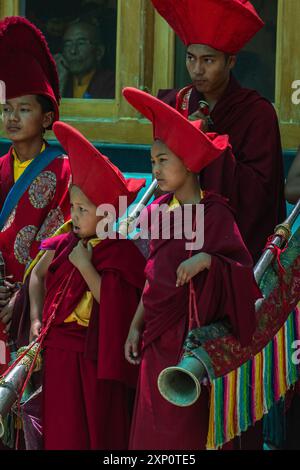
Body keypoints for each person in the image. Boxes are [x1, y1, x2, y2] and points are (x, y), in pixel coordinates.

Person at [123, 87, 261, 450]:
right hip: (156, 341)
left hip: (192, 345)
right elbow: (152, 278)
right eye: (152, 161)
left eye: (163, 161)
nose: (156, 170)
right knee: (152, 432)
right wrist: (136, 327)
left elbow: (242, 274)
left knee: (187, 432)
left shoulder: (215, 214)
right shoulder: (155, 213)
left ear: (189, 162)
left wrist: (208, 261)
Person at [29, 121, 146, 450]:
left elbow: (116, 306)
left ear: (107, 216)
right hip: (59, 351)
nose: (75, 216)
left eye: (83, 210)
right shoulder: (66, 243)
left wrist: (85, 266)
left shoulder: (119, 252)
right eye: (73, 208)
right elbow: (37, 276)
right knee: (62, 429)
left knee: (96, 428)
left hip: (94, 357)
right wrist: (37, 319)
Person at [153, 0, 286, 265]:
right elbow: (161, 177)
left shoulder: (257, 113)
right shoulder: (176, 104)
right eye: (191, 58)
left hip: (233, 247)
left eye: (208, 60)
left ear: (230, 61)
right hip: (179, 232)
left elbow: (260, 195)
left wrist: (208, 147)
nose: (197, 70)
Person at [0, 17, 71, 373]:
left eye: (24, 109)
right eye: (6, 109)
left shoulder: (63, 171)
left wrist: (23, 296)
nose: (12, 118)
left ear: (46, 118)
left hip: (29, 305)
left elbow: (57, 242)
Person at [54, 20, 115, 99]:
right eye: (67, 44)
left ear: (99, 52)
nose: (73, 51)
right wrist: (60, 81)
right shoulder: (62, 79)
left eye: (81, 43)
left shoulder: (111, 83)